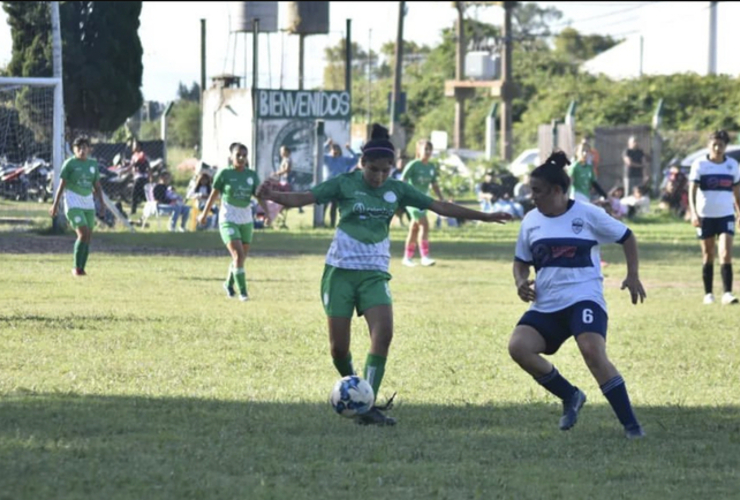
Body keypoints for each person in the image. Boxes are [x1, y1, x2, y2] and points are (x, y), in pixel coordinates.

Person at [257, 124, 512, 426]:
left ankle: (367, 405)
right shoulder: (344, 183)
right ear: (362, 163)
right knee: (339, 349)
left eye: (385, 171)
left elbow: (440, 206)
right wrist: (271, 194)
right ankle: (355, 387)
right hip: (340, 274)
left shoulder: (398, 189)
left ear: (393, 168)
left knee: (384, 334)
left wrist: (485, 215)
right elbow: (304, 198)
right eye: (373, 170)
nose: (379, 177)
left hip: (375, 275)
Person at [509, 151, 647, 439]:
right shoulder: (531, 221)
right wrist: (521, 280)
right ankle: (570, 396)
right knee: (519, 347)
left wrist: (632, 275)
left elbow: (627, 236)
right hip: (547, 304)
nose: (532, 197)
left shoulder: (588, 214)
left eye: (537, 191)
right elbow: (521, 260)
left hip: (584, 299)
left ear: (557, 191)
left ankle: (631, 426)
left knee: (592, 351)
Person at [198, 142, 271, 302]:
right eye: (238, 155)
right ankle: (243, 293)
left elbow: (259, 196)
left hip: (246, 218)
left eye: (244, 155)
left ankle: (228, 284)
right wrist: (204, 214)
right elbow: (213, 195)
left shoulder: (251, 175)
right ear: (231, 157)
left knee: (242, 257)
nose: (241, 158)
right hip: (228, 217)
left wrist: (267, 212)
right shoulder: (224, 174)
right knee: (237, 255)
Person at [688, 129, 740, 306]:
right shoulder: (700, 164)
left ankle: (727, 293)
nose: (717, 148)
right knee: (708, 254)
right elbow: (692, 191)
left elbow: (737, 192)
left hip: (726, 215)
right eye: (714, 144)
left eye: (721, 145)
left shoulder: (732, 165)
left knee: (725, 253)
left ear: (726, 146)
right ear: (709, 146)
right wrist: (693, 212)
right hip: (705, 216)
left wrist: (739, 213)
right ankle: (708, 293)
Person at [49, 135, 104, 277]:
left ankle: (82, 268)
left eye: (85, 147)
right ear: (74, 149)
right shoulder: (70, 164)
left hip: (88, 203)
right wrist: (55, 205)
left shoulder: (93, 164)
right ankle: (75, 267)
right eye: (79, 148)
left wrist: (102, 204)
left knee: (88, 236)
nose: (82, 150)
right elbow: (62, 185)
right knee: (83, 233)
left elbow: (97, 185)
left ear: (89, 149)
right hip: (73, 202)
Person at [401, 139, 445, 267]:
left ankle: (407, 257)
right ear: (419, 150)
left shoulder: (431, 167)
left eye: (430, 149)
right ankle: (425, 256)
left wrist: (441, 198)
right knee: (424, 225)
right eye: (425, 149)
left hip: (424, 200)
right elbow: (403, 180)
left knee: (414, 228)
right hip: (412, 201)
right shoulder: (413, 165)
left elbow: (434, 184)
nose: (428, 152)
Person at [323, 138, 360, 227]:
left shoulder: (343, 159)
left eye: (337, 149)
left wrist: (349, 149)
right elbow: (317, 154)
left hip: (338, 185)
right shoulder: (327, 158)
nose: (335, 151)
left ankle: (332, 224)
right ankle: (321, 222)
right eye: (333, 149)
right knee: (324, 205)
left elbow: (356, 159)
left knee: (334, 206)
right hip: (328, 184)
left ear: (340, 151)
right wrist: (326, 144)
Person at [129, 138, 151, 216]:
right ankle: (151, 208)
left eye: (135, 145)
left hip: (141, 178)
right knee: (143, 195)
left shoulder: (141, 155)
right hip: (138, 177)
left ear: (139, 147)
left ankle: (133, 211)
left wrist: (124, 171)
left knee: (134, 194)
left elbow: (146, 166)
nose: (133, 146)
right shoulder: (134, 155)